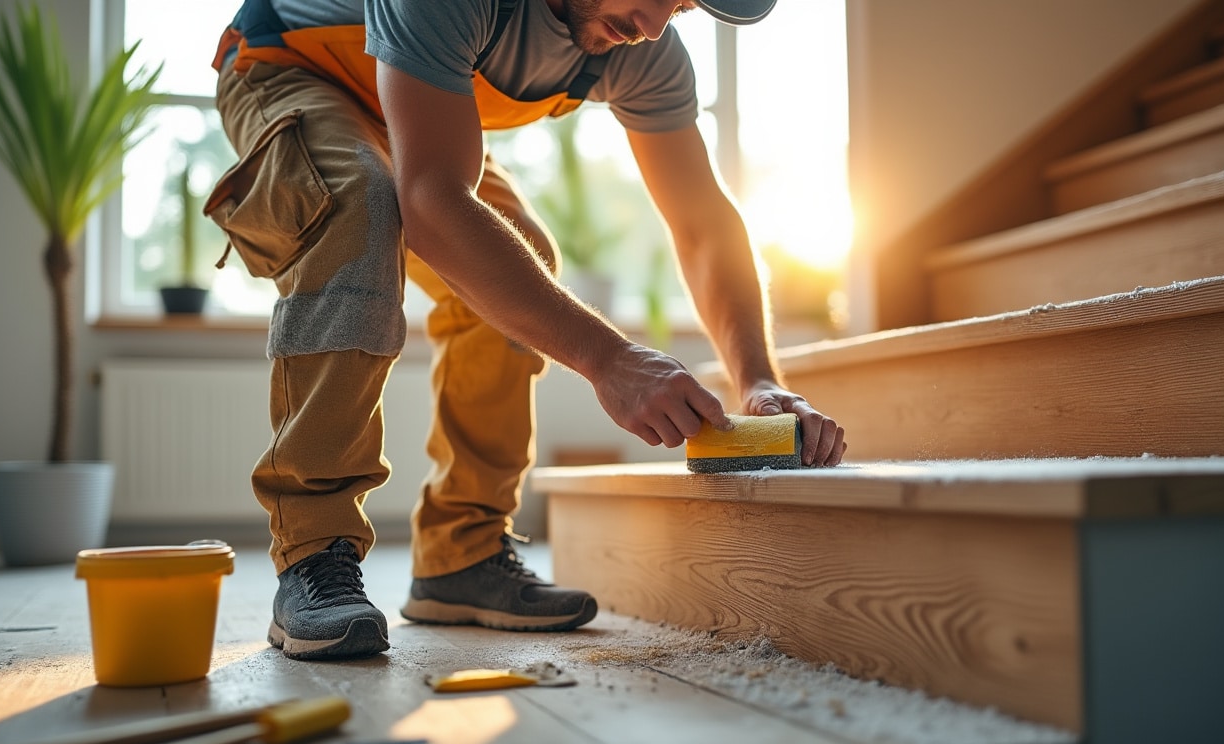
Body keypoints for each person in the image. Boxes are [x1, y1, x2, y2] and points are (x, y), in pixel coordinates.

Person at [204, 0, 848, 662]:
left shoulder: (641, 49)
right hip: (289, 66)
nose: (655, 24)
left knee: (520, 263)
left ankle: (462, 551)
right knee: (357, 207)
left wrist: (759, 379)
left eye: (680, 6)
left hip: (407, 101)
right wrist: (611, 360)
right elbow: (431, 203)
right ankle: (314, 551)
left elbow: (703, 224)